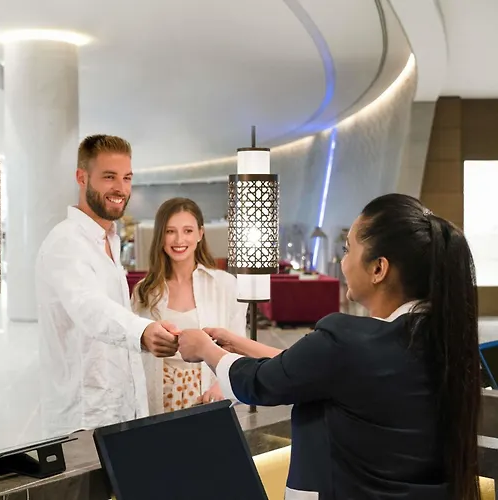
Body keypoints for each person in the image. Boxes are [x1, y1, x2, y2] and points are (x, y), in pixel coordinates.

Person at [178, 193, 481, 500]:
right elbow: (322, 372)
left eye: (347, 249)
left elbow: (261, 384)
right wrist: (239, 344)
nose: (343, 262)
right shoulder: (441, 338)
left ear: (379, 269)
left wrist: (206, 350)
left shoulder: (346, 340)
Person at [35, 134, 180, 438]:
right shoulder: (66, 242)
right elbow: (90, 308)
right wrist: (143, 332)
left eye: (127, 178)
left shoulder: (110, 240)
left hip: (120, 412)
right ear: (82, 177)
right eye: (109, 177)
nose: (121, 189)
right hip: (83, 419)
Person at [131, 198, 247, 414]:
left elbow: (239, 346)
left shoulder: (225, 285)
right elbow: (135, 353)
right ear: (160, 236)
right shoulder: (144, 291)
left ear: (200, 234)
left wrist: (222, 386)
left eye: (187, 231)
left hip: (209, 395)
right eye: (170, 231)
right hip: (158, 397)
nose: (179, 239)